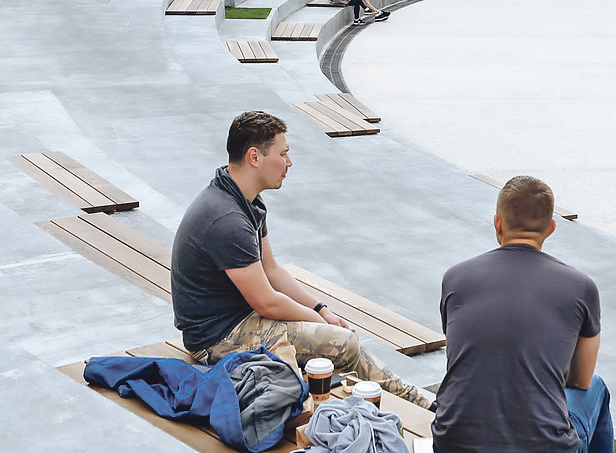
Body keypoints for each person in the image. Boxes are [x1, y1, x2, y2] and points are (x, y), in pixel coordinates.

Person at [171, 111, 430, 407]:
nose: (289, 163)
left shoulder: (244, 199)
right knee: (344, 343)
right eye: (283, 154)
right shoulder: (227, 219)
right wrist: (319, 323)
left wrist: (322, 310)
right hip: (217, 340)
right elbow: (266, 301)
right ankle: (419, 405)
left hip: (239, 320)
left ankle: (409, 399)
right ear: (254, 156)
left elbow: (272, 270)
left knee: (340, 337)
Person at [432, 176, 616, 453]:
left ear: (497, 222)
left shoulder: (456, 277)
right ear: (551, 228)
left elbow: (464, 355)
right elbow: (581, 380)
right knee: (598, 388)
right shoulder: (581, 287)